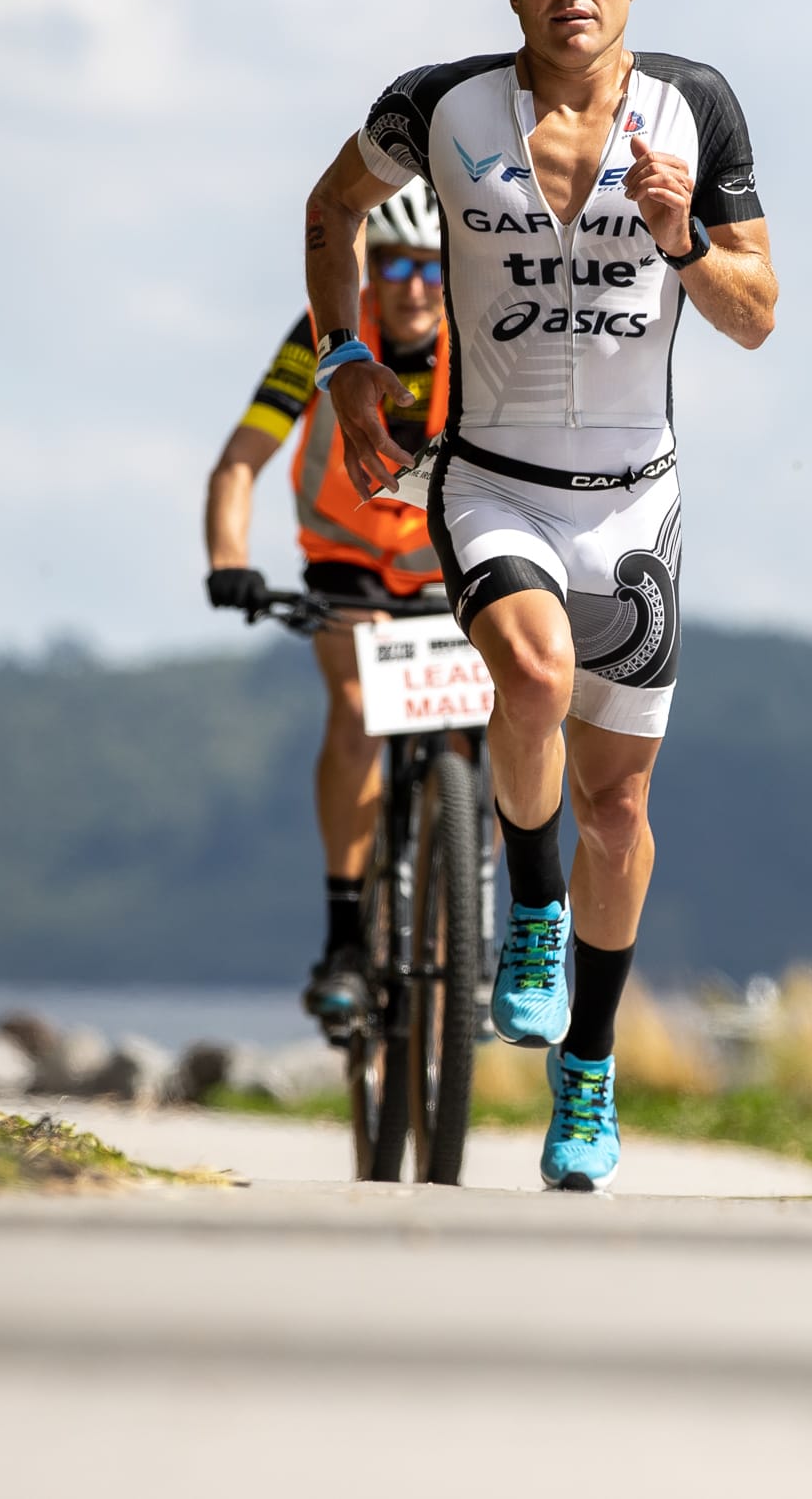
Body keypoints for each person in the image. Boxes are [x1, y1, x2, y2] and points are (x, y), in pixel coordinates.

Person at [298, 0, 777, 1189]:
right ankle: (533, 906)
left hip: (635, 502)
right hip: (492, 478)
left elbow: (756, 313)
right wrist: (343, 360)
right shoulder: (441, 108)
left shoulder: (697, 108)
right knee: (531, 672)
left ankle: (591, 1066)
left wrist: (682, 239)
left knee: (618, 805)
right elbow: (330, 212)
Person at [204, 180, 456, 1021]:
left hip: (446, 565)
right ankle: (346, 936)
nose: (414, 286)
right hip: (348, 561)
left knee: (500, 719)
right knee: (355, 710)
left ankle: (468, 898)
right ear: (369, 270)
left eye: (431, 266)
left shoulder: (480, 340)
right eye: (395, 266)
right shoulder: (326, 339)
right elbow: (240, 461)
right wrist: (229, 561)